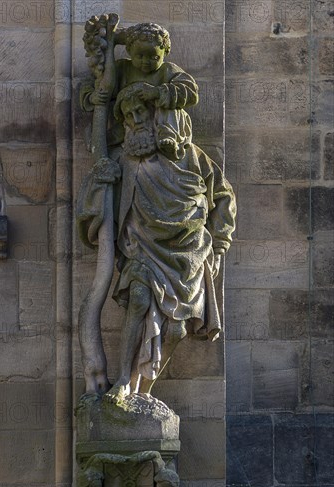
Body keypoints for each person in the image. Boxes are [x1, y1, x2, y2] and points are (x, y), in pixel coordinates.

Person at [77, 84, 236, 403]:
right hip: (142, 246)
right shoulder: (123, 158)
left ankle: (141, 392)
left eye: (141, 113)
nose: (136, 120)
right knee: (138, 299)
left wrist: (218, 246)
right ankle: (124, 380)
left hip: (187, 253)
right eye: (129, 116)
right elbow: (94, 202)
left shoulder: (192, 157)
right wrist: (100, 180)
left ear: (155, 117)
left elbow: (222, 197)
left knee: (177, 330)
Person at [80, 22, 199, 160]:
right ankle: (95, 143)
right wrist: (90, 97)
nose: (146, 62)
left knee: (169, 108)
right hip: (131, 122)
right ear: (130, 52)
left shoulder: (167, 70)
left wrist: (158, 92)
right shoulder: (122, 68)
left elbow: (191, 91)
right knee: (115, 134)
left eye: (154, 57)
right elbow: (93, 82)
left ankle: (169, 140)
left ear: (164, 52)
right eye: (140, 56)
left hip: (165, 125)